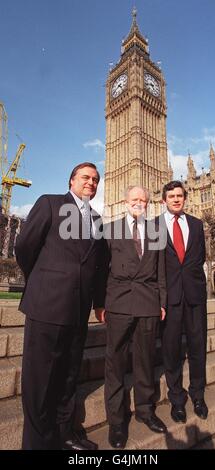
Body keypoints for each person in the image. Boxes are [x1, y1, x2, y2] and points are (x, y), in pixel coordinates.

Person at [15, 162, 106, 450]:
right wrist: (43, 280)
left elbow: (99, 265)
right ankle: (37, 443)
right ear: (71, 180)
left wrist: (99, 302)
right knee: (40, 379)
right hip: (48, 305)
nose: (90, 182)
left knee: (68, 376)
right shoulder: (50, 204)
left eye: (94, 179)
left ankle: (65, 433)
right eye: (85, 177)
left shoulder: (97, 219)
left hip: (78, 310)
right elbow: (24, 247)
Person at [96, 185, 167, 449]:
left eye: (143, 200)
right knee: (115, 362)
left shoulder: (156, 230)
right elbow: (101, 270)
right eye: (135, 199)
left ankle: (146, 410)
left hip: (148, 302)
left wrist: (162, 302)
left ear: (148, 204)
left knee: (146, 360)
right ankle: (116, 422)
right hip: (118, 301)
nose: (139, 203)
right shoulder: (110, 228)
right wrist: (100, 303)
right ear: (126, 202)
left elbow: (161, 271)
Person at [161, 180, 208, 424]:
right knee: (171, 350)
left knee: (198, 347)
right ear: (164, 200)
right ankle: (177, 399)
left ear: (185, 198)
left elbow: (200, 256)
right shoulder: (154, 227)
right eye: (172, 196)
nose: (176, 199)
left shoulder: (197, 224)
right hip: (170, 298)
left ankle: (198, 395)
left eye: (180, 195)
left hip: (194, 296)